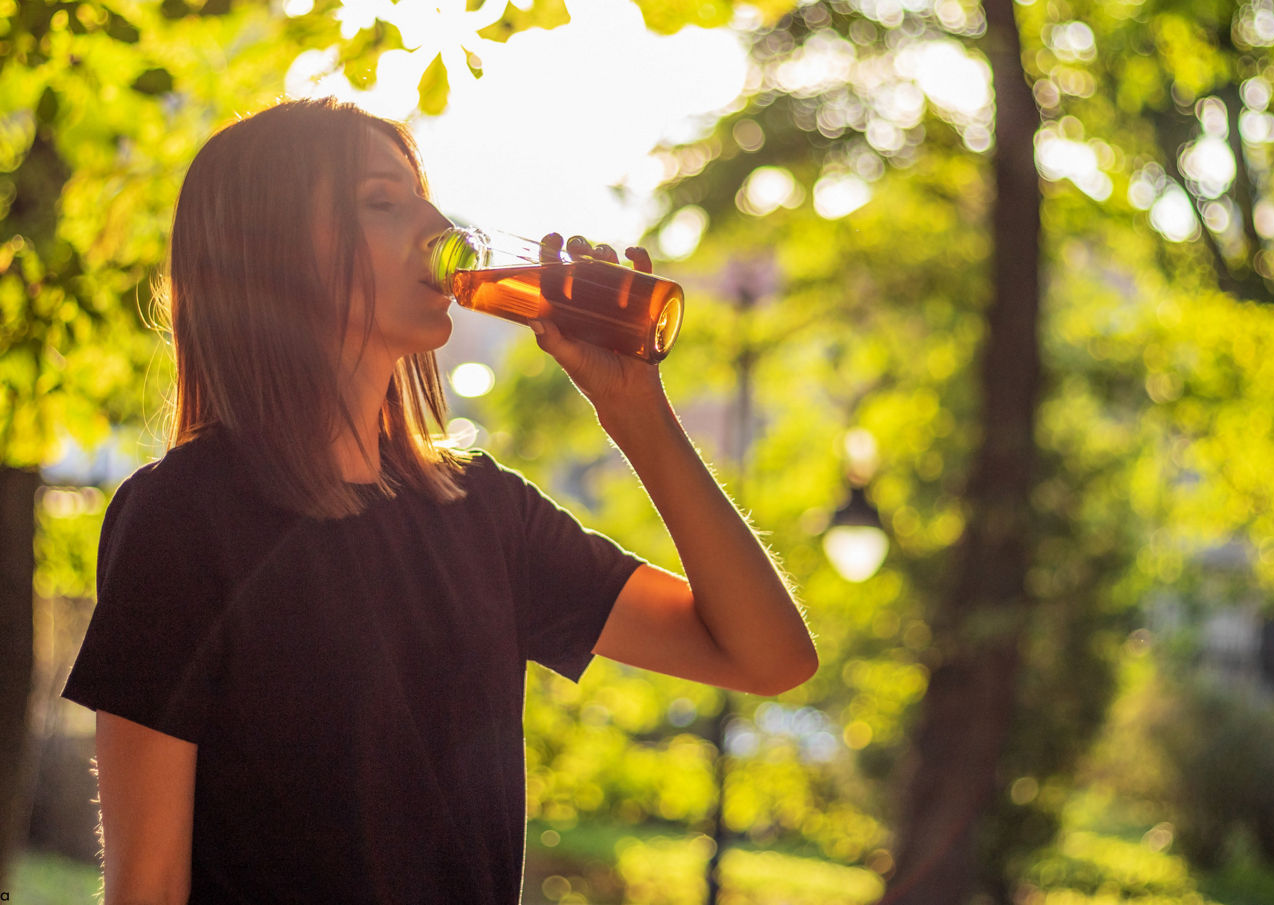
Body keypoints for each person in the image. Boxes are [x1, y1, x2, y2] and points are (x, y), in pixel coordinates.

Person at [61, 96, 817, 905]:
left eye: (423, 194)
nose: (432, 222)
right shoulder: (180, 517)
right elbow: (147, 887)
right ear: (268, 252)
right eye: (381, 201)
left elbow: (768, 655)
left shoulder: (483, 512)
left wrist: (636, 411)